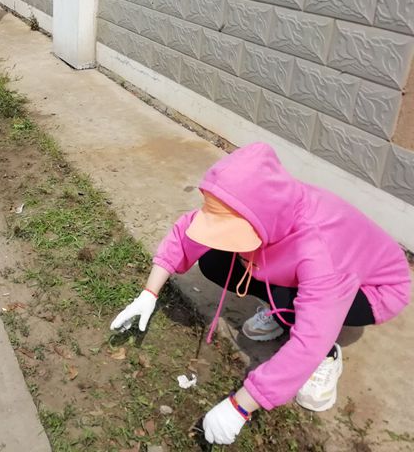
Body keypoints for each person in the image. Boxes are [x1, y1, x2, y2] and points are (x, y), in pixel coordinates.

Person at [110, 142, 410, 446]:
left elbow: (311, 338)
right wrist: (149, 293)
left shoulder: (317, 249)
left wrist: (240, 406)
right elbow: (186, 233)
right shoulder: (262, 202)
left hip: (374, 289)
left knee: (293, 306)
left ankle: (326, 354)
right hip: (311, 265)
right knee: (215, 261)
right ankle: (285, 311)